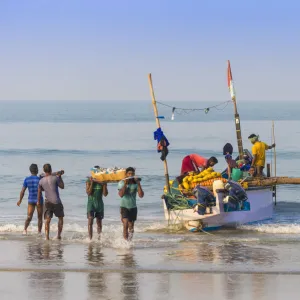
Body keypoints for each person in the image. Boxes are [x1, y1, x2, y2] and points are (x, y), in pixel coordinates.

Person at [38, 164, 65, 240]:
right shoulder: (55, 178)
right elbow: (62, 186)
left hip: (47, 202)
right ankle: (58, 235)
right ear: (51, 169)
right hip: (56, 201)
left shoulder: (41, 180)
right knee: (60, 218)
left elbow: (40, 191)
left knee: (47, 220)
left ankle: (47, 237)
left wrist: (38, 201)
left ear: (44, 170)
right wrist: (60, 177)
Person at [118, 167, 144, 240]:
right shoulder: (121, 183)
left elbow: (141, 195)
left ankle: (129, 242)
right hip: (124, 207)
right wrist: (125, 185)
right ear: (126, 174)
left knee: (131, 227)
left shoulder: (135, 183)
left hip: (133, 207)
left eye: (132, 174)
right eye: (129, 174)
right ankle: (125, 242)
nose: (130, 175)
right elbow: (121, 195)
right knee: (125, 224)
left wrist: (138, 184)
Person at [17, 164, 43, 235]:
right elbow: (42, 190)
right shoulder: (39, 179)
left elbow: (22, 191)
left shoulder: (27, 179)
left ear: (30, 171)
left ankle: (25, 230)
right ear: (37, 170)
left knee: (29, 217)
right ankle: (39, 232)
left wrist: (20, 200)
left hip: (31, 200)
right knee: (40, 217)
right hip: (39, 200)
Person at [86, 166, 108, 240]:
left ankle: (99, 238)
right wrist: (92, 183)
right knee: (90, 219)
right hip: (91, 203)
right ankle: (90, 239)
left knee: (99, 222)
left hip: (99, 204)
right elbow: (88, 193)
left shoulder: (102, 181)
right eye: (95, 172)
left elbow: (105, 194)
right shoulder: (88, 181)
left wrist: (104, 185)